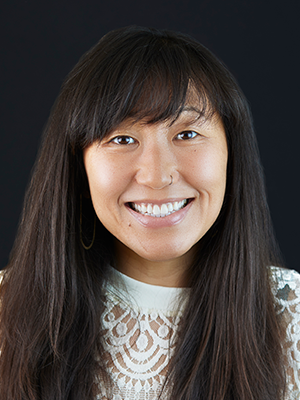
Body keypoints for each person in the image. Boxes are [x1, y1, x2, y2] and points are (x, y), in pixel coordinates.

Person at [0, 25, 299, 400]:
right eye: (122, 139)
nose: (157, 176)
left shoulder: (292, 321)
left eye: (187, 134)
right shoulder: (5, 314)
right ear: (79, 165)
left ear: (231, 153)